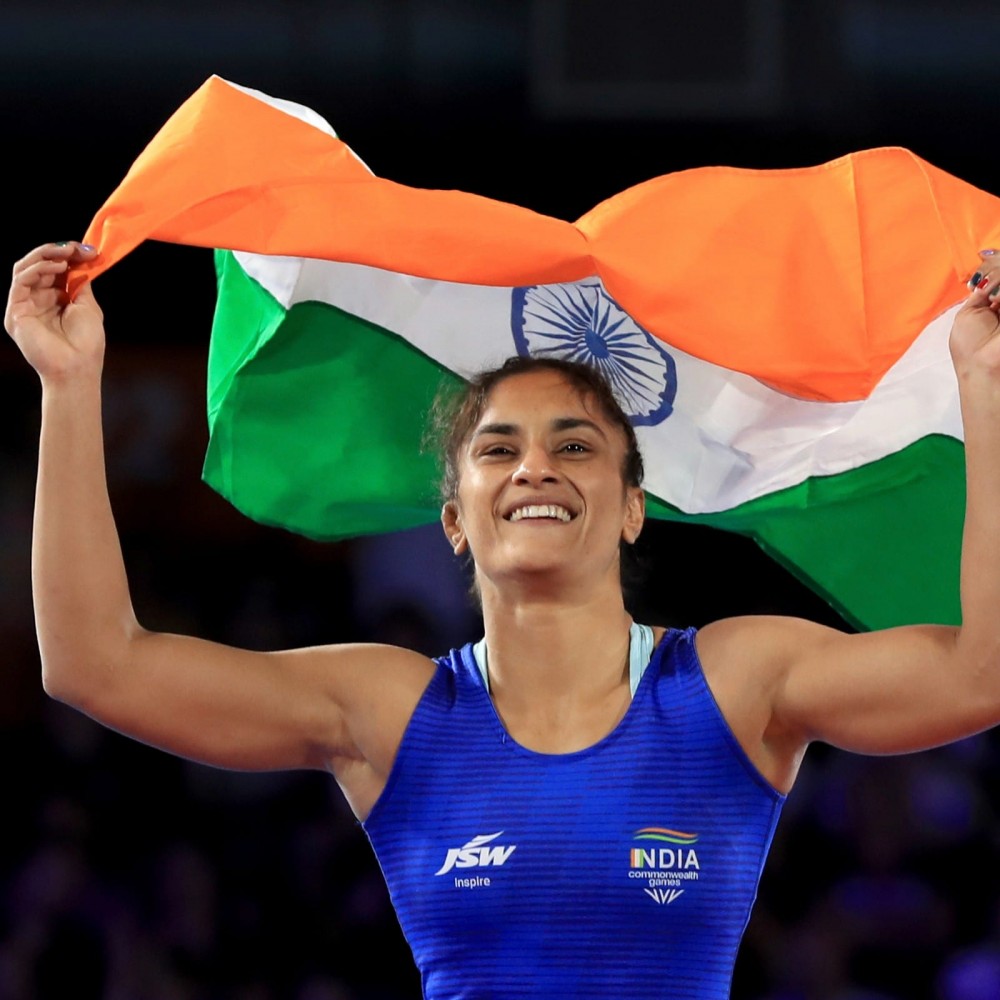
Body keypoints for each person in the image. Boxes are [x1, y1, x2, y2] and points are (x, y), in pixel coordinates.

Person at [5, 239, 1000, 1000]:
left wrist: (984, 394)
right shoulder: (390, 711)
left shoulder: (738, 683)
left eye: (574, 446)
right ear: (452, 518)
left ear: (630, 505)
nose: (535, 467)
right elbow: (97, 662)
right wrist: (67, 383)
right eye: (496, 450)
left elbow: (978, 675)